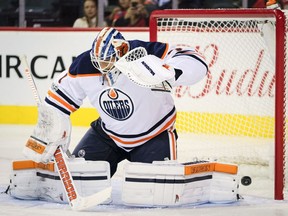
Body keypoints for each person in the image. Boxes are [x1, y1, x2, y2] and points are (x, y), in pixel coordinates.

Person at [23, 27, 208, 177]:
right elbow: (57, 101)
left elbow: (196, 59)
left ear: (121, 52)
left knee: (154, 192)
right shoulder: (85, 64)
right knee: (78, 176)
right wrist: (49, 133)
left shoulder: (146, 52)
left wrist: (172, 71)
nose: (102, 68)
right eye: (98, 62)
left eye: (107, 61)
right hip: (108, 135)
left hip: (155, 135)